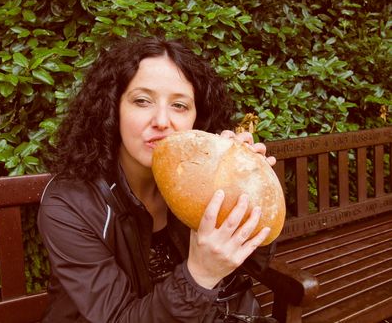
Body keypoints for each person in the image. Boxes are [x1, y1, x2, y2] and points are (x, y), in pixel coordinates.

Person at [38, 35, 278, 323]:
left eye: (179, 105)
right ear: (112, 110)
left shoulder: (197, 180)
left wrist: (245, 185)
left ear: (196, 119)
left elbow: (256, 262)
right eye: (142, 101)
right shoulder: (69, 204)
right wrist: (200, 274)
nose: (162, 121)